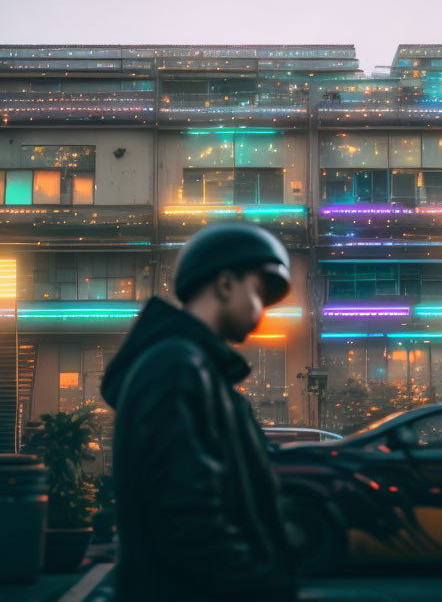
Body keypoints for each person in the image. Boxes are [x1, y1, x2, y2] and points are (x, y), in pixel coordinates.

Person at [101, 223, 297, 601]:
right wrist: (260, 586)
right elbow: (188, 518)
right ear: (225, 284)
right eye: (257, 292)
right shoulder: (178, 368)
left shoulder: (195, 369)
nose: (260, 314)